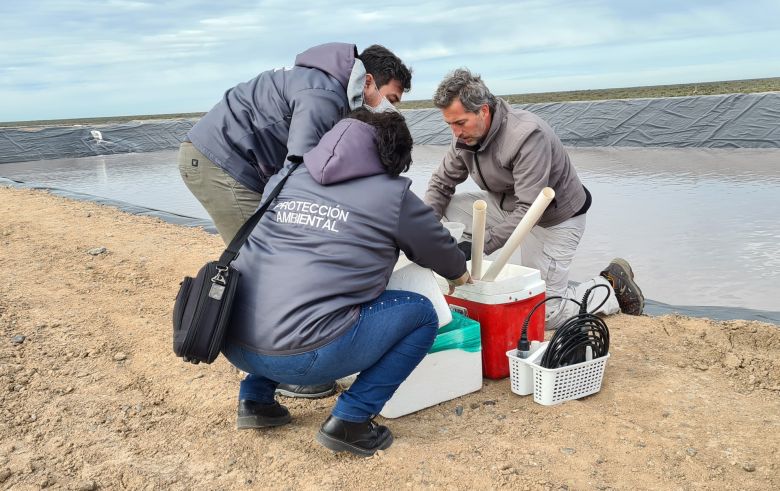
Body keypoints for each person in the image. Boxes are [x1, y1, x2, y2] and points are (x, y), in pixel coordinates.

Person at [221, 109, 471, 456]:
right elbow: (439, 250)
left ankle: (255, 399)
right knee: (421, 315)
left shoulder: (288, 174)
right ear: (394, 159)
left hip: (235, 342)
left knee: (285, 291)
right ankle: (351, 420)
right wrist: (459, 273)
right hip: (305, 356)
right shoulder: (390, 193)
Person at [179, 42, 412, 399]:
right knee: (264, 262)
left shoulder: (326, 83)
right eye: (390, 99)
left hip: (224, 156)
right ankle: (282, 368)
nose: (388, 109)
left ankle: (267, 362)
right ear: (368, 82)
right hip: (223, 164)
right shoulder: (323, 96)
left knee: (277, 257)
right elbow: (299, 172)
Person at [423, 68, 644, 330]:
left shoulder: (527, 135)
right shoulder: (465, 137)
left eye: (460, 123)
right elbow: (441, 183)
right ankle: (471, 279)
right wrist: (423, 232)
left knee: (544, 314)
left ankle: (609, 286)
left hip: (551, 218)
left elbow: (530, 209)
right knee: (447, 208)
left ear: (483, 111)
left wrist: (479, 248)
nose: (455, 132)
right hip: (508, 206)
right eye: (449, 124)